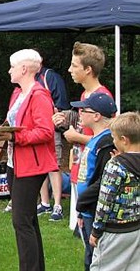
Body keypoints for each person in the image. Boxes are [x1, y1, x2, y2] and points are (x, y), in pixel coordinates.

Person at [0, 48, 58, 271]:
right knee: (27, 220)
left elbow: (45, 132)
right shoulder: (18, 94)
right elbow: (11, 124)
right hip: (15, 163)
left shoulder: (39, 95)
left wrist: (15, 137)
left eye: (12, 67)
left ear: (23, 69)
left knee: (21, 221)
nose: (9, 71)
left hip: (32, 165)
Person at [53, 42, 112, 232]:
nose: (69, 69)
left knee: (89, 233)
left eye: (74, 65)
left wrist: (76, 137)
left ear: (88, 70)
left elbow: (108, 141)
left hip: (92, 173)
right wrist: (65, 120)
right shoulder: (85, 94)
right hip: (80, 168)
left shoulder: (102, 97)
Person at [70, 93, 117, 270]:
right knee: (89, 256)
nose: (79, 113)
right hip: (87, 211)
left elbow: (102, 181)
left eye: (83, 110)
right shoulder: (95, 140)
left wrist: (83, 204)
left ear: (96, 116)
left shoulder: (106, 144)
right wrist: (81, 213)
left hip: (95, 210)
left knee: (98, 260)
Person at [89, 112, 140, 271]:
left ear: (124, 140)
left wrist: (96, 231)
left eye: (113, 137)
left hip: (114, 231)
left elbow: (105, 202)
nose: (112, 141)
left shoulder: (115, 166)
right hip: (136, 229)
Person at [35, 59, 71, 222]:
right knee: (40, 165)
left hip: (51, 128)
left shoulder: (50, 77)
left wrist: (54, 113)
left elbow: (62, 105)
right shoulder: (30, 79)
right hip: (36, 129)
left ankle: (57, 205)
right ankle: (44, 202)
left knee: (53, 165)